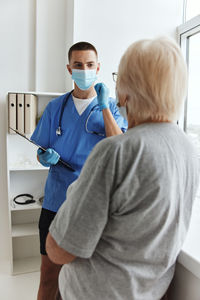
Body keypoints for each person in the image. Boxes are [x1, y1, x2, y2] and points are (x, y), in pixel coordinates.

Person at [46, 37, 200, 300]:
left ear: (126, 91)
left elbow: (60, 250)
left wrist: (75, 194)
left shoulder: (115, 151)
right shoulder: (188, 151)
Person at [31, 41, 127, 300]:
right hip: (56, 203)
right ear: (69, 68)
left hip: (93, 206)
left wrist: (105, 106)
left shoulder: (111, 108)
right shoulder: (55, 108)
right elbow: (41, 150)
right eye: (78, 65)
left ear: (98, 68)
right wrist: (44, 157)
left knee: (87, 283)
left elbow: (119, 146)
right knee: (49, 276)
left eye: (89, 65)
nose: (84, 70)